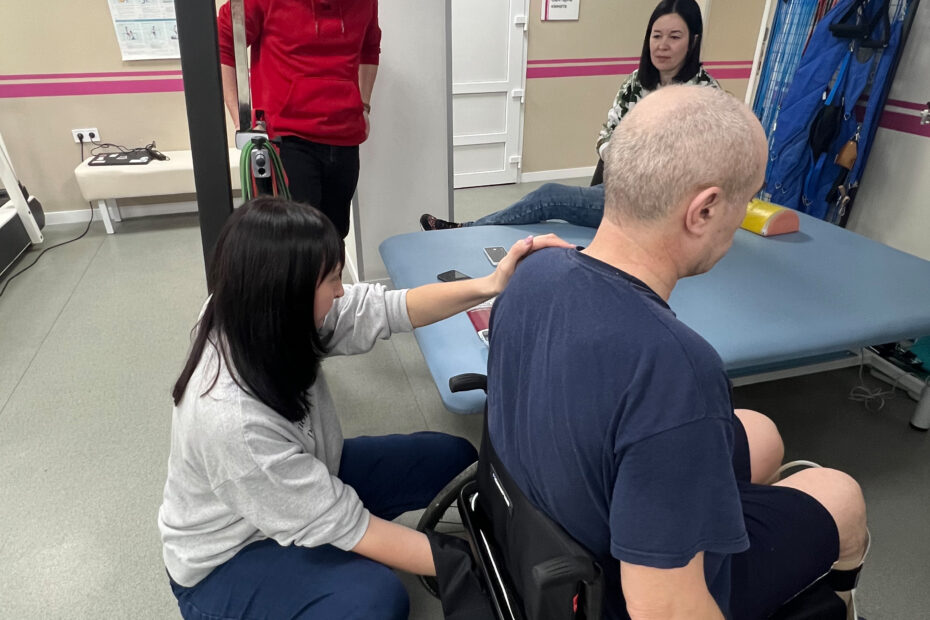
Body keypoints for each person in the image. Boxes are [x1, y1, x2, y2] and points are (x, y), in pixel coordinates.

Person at [485, 86, 869, 620]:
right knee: (840, 494)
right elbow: (662, 610)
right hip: (603, 592)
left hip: (533, 535)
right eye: (746, 199)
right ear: (704, 209)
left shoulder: (534, 269)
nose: (744, 214)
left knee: (760, 431)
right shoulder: (676, 367)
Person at [158, 197, 571, 619]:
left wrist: (491, 284)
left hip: (304, 473)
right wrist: (473, 565)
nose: (341, 291)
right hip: (229, 557)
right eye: (331, 280)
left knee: (454, 459)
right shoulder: (232, 421)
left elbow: (385, 308)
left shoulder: (256, 313)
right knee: (376, 601)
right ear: (288, 294)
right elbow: (346, 524)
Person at [420, 0, 719, 232]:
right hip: (621, 190)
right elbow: (607, 134)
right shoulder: (636, 83)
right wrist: (617, 156)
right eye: (656, 35)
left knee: (548, 197)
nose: (662, 45)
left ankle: (466, 230)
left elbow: (699, 168)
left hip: (658, 209)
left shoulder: (706, 97)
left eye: (674, 37)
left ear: (693, 41)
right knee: (545, 213)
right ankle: (470, 229)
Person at [217, 0, 380, 239]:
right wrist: (240, 120)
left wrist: (364, 104)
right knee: (297, 239)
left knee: (335, 234)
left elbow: (370, 47)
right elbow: (224, 42)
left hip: (344, 135)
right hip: (288, 138)